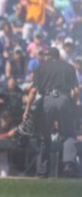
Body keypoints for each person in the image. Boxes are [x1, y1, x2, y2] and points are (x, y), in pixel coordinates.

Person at [23, 47, 80, 178]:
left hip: (46, 101)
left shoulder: (41, 67)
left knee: (44, 136)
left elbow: (32, 91)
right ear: (59, 56)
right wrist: (76, 104)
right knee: (69, 134)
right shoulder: (69, 67)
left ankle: (42, 172)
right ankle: (68, 164)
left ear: (47, 56)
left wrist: (27, 110)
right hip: (65, 100)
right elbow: (76, 91)